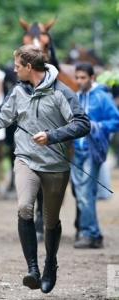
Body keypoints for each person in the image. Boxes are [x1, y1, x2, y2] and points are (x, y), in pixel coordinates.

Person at [0, 44, 91, 294]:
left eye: (17, 66)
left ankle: (50, 264)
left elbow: (82, 124)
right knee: (24, 207)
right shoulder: (18, 91)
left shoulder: (61, 92)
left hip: (55, 165)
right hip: (25, 159)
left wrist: (52, 135)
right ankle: (33, 269)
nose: (13, 70)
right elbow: (0, 118)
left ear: (29, 67)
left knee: (50, 221)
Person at [72, 62, 119, 249]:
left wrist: (96, 125)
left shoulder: (102, 97)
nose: (78, 81)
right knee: (83, 193)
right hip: (77, 151)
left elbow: (116, 120)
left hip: (93, 151)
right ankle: (94, 234)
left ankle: (90, 234)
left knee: (84, 193)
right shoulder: (75, 97)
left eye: (83, 78)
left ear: (92, 78)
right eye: (77, 77)